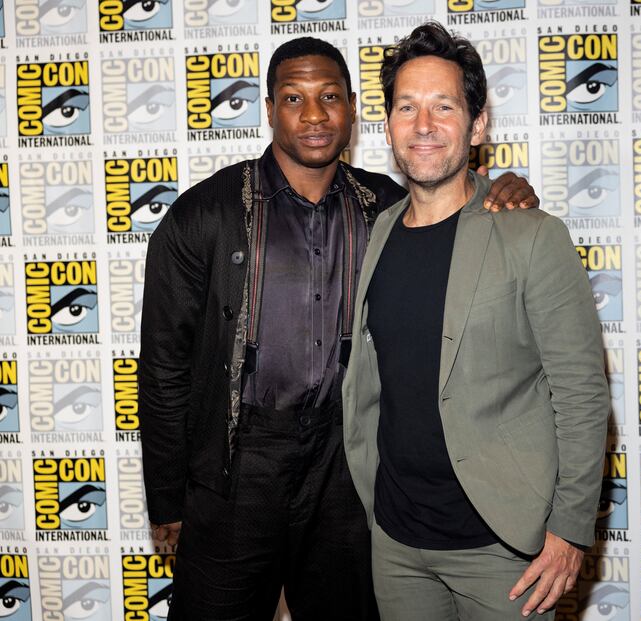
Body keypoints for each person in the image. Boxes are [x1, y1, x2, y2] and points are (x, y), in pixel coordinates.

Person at [139, 36, 537, 621]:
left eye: (329, 96)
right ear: (270, 109)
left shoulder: (387, 205)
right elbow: (163, 363)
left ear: (352, 108)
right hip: (236, 469)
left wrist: (505, 189)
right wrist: (169, 492)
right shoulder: (207, 212)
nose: (314, 114)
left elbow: (457, 211)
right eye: (293, 98)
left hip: (344, 466)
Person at [342, 22, 609, 620]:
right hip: (397, 544)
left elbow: (582, 392)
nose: (425, 125)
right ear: (387, 126)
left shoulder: (532, 236)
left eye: (444, 106)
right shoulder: (378, 232)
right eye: (407, 107)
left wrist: (569, 531)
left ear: (478, 123)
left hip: (504, 551)